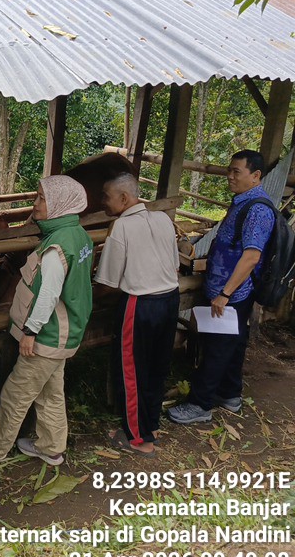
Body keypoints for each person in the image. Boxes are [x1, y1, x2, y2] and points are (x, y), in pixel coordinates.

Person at [0, 175, 93, 469]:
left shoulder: (57, 246)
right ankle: (51, 448)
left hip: (48, 335)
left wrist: (30, 331)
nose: (35, 205)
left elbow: (48, 294)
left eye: (42, 199)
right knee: (50, 393)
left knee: (16, 394)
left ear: (60, 204)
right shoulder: (78, 236)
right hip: (66, 332)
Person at [169, 150, 276, 424]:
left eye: (236, 172)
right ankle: (230, 394)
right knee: (233, 343)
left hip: (233, 292)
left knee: (217, 347)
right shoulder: (242, 202)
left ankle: (200, 405)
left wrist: (225, 294)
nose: (230, 176)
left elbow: (251, 257)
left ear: (255, 176)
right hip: (224, 288)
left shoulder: (258, 210)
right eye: (229, 170)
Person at [94, 173, 180, 456]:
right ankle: (150, 426)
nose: (103, 202)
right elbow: (174, 264)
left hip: (140, 305)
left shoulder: (121, 226)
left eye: (106, 196)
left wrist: (88, 298)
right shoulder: (163, 219)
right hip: (169, 300)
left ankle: (138, 439)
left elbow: (108, 282)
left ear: (123, 198)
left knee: (131, 372)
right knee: (157, 367)